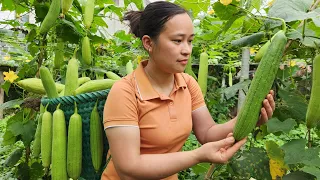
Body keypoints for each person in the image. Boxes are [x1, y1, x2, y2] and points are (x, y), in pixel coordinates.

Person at [102, 1, 275, 180]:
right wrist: (197, 155)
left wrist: (246, 119)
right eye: (177, 41)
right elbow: (128, 169)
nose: (187, 50)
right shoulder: (125, 92)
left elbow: (207, 133)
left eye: (190, 41)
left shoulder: (187, 83)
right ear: (148, 43)